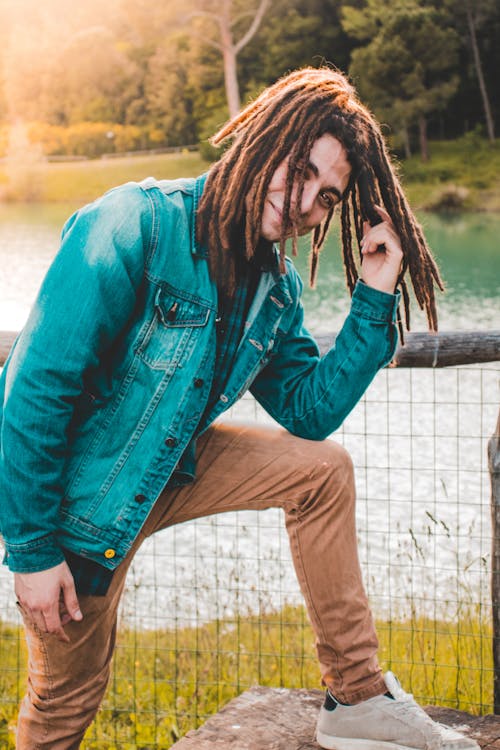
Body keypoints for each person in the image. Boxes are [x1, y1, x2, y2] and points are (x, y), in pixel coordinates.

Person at [0, 67, 478, 750]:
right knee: (66, 702)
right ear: (262, 137)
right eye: (300, 169)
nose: (306, 201)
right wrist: (35, 551)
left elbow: (309, 412)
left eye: (327, 196)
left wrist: (374, 293)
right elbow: (36, 389)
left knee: (322, 471)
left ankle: (358, 696)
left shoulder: (274, 292)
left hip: (171, 469)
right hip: (78, 506)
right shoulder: (132, 223)